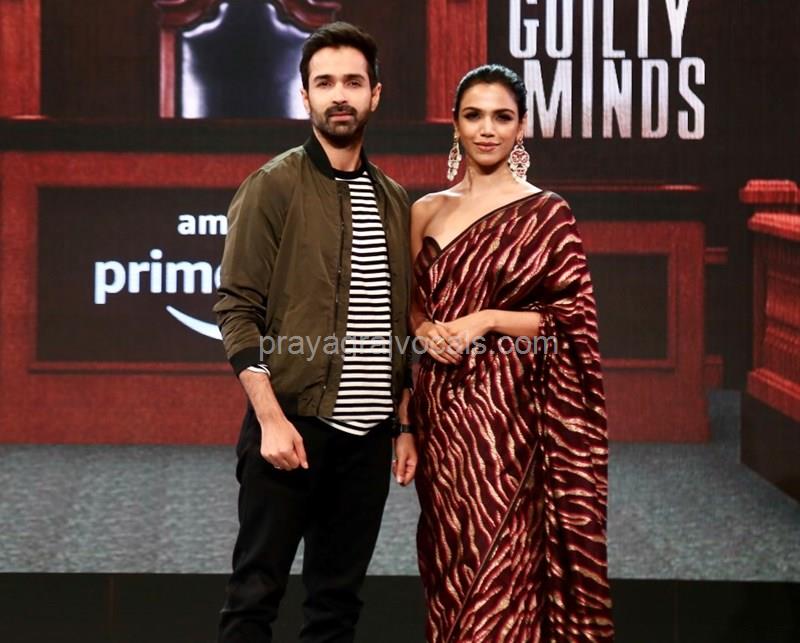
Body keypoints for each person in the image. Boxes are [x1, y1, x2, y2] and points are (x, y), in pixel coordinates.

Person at [213, 22, 417, 643]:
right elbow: (236, 308)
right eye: (324, 83)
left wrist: (403, 424)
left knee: (336, 608)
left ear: (375, 94)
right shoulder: (272, 185)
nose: (339, 95)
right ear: (305, 96)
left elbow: (400, 323)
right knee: (254, 599)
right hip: (291, 427)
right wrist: (271, 419)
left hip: (367, 442)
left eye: (353, 82)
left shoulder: (396, 200)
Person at [409, 64, 614, 642]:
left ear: (521, 127)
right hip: (442, 417)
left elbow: (571, 321)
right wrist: (423, 332)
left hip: (514, 420)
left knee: (508, 568)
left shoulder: (548, 213)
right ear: (455, 125)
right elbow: (410, 310)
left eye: (502, 117)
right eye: (473, 116)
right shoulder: (424, 210)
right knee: (451, 561)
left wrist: (487, 319)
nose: (487, 129)